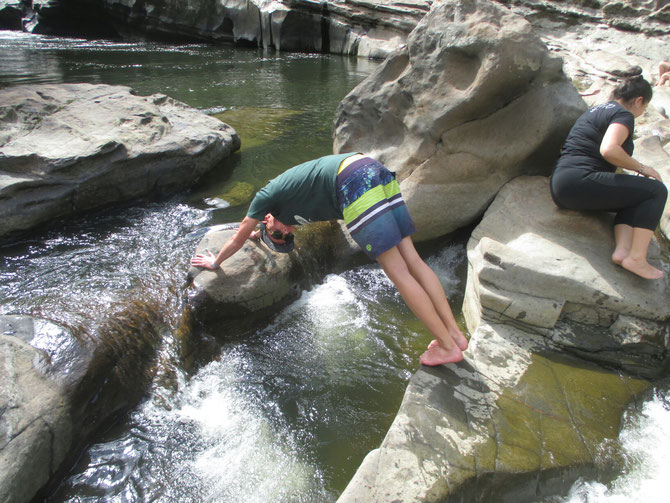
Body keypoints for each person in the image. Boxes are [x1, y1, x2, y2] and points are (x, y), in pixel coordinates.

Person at [191, 153, 468, 365]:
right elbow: (250, 232)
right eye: (287, 238)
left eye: (280, 233)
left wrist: (215, 263)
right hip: (373, 171)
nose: (287, 233)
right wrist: (258, 234)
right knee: (413, 261)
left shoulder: (266, 197)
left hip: (353, 183)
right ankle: (454, 335)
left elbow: (238, 236)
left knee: (399, 272)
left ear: (266, 219)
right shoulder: (276, 212)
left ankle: (446, 346)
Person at [550, 67, 667, 280]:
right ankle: (637, 259)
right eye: (645, 107)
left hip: (563, 185)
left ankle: (622, 251)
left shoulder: (598, 109)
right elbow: (609, 149)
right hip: (580, 180)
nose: (642, 113)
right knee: (656, 191)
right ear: (639, 100)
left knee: (634, 197)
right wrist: (643, 168)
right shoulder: (623, 114)